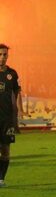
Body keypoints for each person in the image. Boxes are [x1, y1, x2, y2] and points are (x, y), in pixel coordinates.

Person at [0, 44, 22, 187]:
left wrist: (20, 111)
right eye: (0, 54)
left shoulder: (12, 74)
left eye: (5, 55)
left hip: (7, 119)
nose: (2, 57)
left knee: (5, 150)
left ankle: (1, 179)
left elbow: (17, 93)